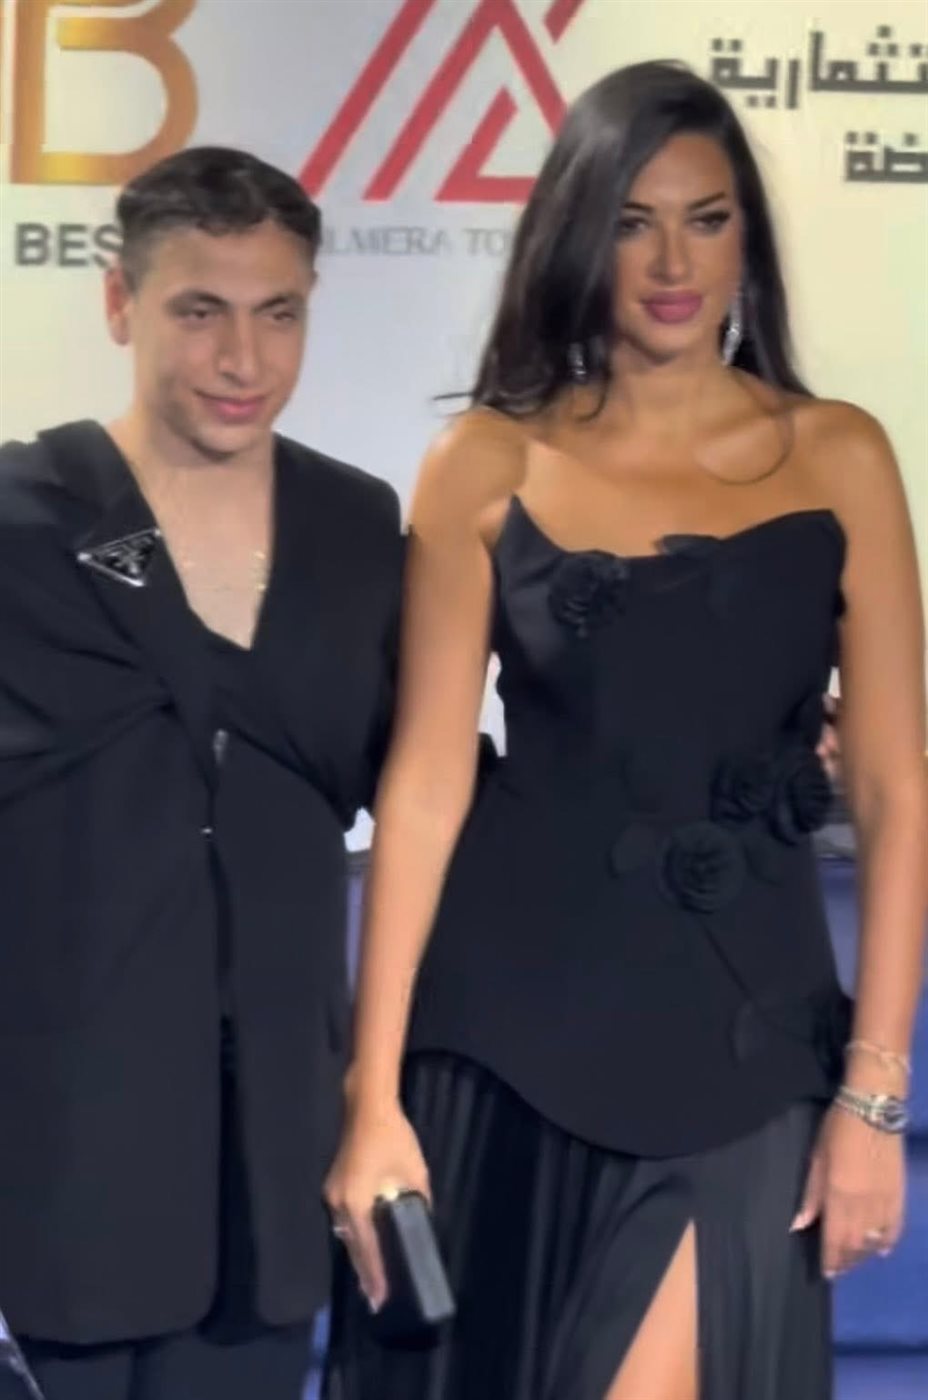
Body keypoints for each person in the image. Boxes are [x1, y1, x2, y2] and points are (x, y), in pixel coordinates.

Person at [321, 62, 927, 1400]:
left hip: (746, 1045)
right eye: (633, 223)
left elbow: (893, 790)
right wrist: (373, 1094)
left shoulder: (843, 456)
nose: (670, 264)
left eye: (706, 220)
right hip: (502, 1038)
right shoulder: (486, 462)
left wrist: (873, 1096)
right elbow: (424, 784)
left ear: (747, 240)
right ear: (576, 237)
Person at [0, 146, 404, 1400]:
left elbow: (427, 770)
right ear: (119, 303)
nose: (243, 358)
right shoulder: (20, 518)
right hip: (58, 1148)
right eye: (200, 312)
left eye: (278, 313)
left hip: (274, 1162)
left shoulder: (357, 525)